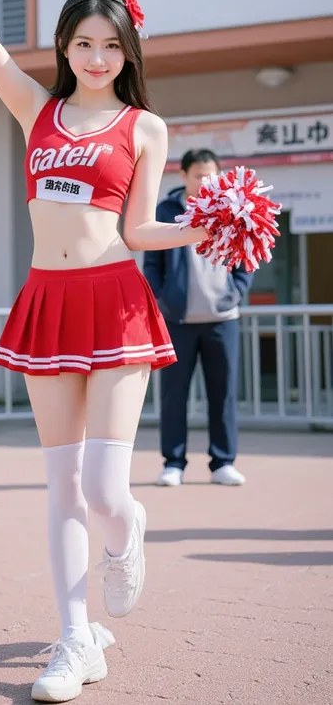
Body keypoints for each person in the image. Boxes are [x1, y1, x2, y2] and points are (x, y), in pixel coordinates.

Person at [0, 0, 208, 702]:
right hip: (48, 301)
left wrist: (199, 228)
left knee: (103, 486)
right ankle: (74, 640)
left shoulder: (143, 127)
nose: (97, 57)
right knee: (61, 484)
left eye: (111, 45)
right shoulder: (39, 109)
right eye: (84, 43)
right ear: (65, 45)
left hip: (117, 303)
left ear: (129, 52)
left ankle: (127, 536)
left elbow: (139, 230)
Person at [143, 149, 254, 490]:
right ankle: (173, 463)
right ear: (184, 176)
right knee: (174, 395)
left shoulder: (234, 208)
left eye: (211, 175)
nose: (205, 181)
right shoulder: (166, 210)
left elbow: (247, 255)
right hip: (177, 319)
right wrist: (162, 297)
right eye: (198, 175)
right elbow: (152, 261)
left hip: (223, 318)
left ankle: (223, 462)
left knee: (223, 394)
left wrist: (236, 291)